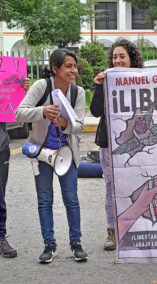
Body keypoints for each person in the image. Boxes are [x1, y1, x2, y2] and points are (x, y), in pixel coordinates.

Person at [15, 49, 87, 263]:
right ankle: (49, 244)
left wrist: (65, 124)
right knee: (44, 200)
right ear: (55, 69)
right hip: (43, 154)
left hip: (67, 154)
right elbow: (19, 112)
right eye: (68, 66)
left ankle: (76, 243)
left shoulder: (78, 92)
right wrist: (43, 111)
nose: (73, 70)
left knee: (71, 200)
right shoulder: (42, 86)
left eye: (75, 66)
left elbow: (80, 126)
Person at [90, 38, 144, 250]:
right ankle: (112, 231)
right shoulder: (105, 80)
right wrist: (98, 87)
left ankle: (136, 228)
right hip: (108, 143)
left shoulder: (143, 80)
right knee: (112, 187)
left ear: (132, 59)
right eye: (114, 57)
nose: (118, 60)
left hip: (136, 144)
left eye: (122, 56)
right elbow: (95, 111)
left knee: (138, 184)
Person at [0, 79, 30, 258]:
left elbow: (18, 111)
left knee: (0, 195)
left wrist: (20, 91)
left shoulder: (3, 77)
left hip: (0, 147)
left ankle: (1, 237)